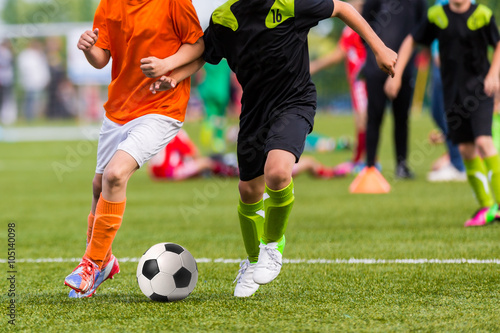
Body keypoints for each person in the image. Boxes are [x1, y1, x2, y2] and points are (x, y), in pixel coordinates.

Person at [149, 0, 397, 297]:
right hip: (253, 111)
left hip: (294, 102)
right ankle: (253, 261)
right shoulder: (226, 17)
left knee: (278, 173)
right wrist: (173, 77)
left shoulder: (291, 4)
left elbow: (343, 8)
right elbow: (204, 51)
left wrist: (380, 48)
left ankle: (273, 246)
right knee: (247, 191)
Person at [63, 0, 204, 298]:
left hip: (162, 106)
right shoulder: (109, 3)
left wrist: (167, 66)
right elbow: (101, 59)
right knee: (99, 186)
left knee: (115, 175)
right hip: (118, 109)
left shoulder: (175, 2)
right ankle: (105, 260)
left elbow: (199, 46)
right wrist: (89, 46)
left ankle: (91, 263)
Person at [384, 0, 500, 227]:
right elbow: (411, 41)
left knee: (484, 142)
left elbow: (498, 44)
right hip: (453, 94)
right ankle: (487, 207)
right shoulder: (437, 15)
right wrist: (396, 74)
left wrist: (494, 74)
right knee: (466, 149)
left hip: (480, 92)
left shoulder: (483, 15)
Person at [361, 0, 427, 179]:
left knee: (402, 118)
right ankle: (370, 168)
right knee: (374, 118)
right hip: (376, 69)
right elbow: (363, 27)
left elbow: (420, 31)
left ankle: (401, 166)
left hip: (404, 69)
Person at [148, 129, 342, 181]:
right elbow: (197, 156)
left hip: (231, 165)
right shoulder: (173, 131)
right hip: (226, 164)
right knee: (267, 170)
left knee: (271, 171)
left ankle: (325, 171)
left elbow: (199, 159)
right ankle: (325, 171)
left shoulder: (164, 133)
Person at [310, 0, 367, 172]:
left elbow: (337, 55)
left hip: (361, 80)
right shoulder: (350, 29)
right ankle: (362, 159)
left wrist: (315, 65)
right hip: (357, 80)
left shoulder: (358, 27)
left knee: (363, 118)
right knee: (362, 118)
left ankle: (362, 161)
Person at [425, 0, 468, 183]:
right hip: (437, 64)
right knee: (436, 112)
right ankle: (455, 156)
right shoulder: (439, 5)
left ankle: (458, 166)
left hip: (451, 64)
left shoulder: (464, 4)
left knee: (450, 113)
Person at [17, 40, 50, 121]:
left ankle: (35, 117)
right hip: (30, 82)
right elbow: (26, 69)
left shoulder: (40, 55)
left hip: (39, 83)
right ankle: (28, 118)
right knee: (30, 101)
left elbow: (43, 69)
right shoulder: (26, 55)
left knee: (38, 101)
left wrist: (45, 79)